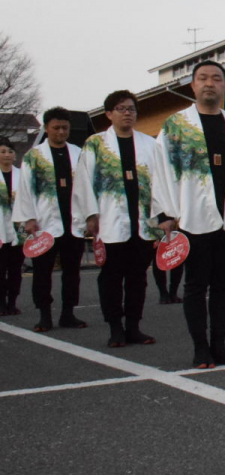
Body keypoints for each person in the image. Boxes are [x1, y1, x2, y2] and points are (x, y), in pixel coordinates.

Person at [157, 61, 225, 368]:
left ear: (224, 87)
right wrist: (166, 213)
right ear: (192, 86)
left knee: (224, 284)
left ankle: (219, 345)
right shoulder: (175, 125)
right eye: (203, 78)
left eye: (216, 79)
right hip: (191, 216)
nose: (209, 83)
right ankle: (200, 348)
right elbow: (162, 172)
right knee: (195, 284)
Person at [74, 90, 173, 347]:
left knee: (138, 278)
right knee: (111, 277)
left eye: (131, 109)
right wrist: (90, 215)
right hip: (110, 221)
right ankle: (115, 327)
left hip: (143, 222)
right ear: (109, 114)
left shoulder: (150, 145)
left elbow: (161, 182)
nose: (127, 113)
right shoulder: (95, 144)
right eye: (121, 109)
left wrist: (164, 215)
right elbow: (84, 183)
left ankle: (133, 326)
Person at [14, 107, 86, 332]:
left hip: (73, 222)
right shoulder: (34, 156)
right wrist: (29, 218)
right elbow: (25, 189)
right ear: (46, 128)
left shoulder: (78, 153)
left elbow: (87, 188)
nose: (61, 132)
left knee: (72, 271)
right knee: (43, 272)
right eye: (56, 128)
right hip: (45, 224)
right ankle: (44, 315)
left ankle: (68, 313)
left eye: (65, 128)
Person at [0, 138, 23, 315]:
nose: (6, 155)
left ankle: (12, 302)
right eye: (2, 152)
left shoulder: (22, 175)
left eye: (10, 152)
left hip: (18, 231)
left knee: (15, 269)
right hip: (1, 229)